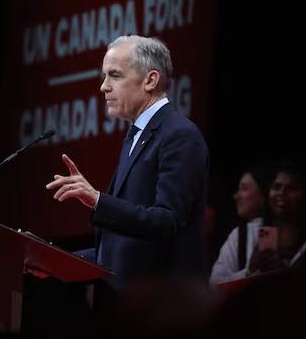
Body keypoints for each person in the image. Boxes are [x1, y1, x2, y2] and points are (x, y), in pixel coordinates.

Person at [45, 35, 210, 292]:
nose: (104, 87)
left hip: (163, 303)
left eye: (115, 75)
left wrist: (98, 200)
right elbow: (122, 248)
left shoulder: (179, 135)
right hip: (127, 302)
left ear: (150, 80)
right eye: (104, 76)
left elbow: (166, 222)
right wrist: (53, 261)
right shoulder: (136, 136)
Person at [209, 167, 273, 285]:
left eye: (244, 188)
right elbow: (216, 283)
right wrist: (249, 271)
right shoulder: (239, 235)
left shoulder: (281, 229)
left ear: (263, 194)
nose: (236, 196)